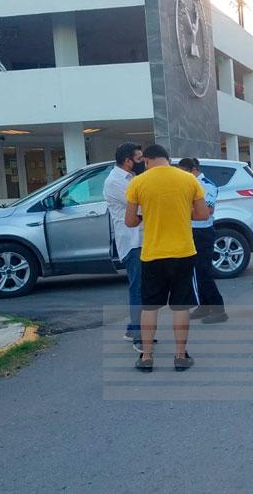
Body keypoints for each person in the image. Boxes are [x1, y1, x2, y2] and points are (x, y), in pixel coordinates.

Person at [125, 145, 209, 373]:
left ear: (147, 160)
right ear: (168, 159)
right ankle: (180, 356)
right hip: (183, 252)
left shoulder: (138, 182)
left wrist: (146, 215)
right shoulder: (189, 179)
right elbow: (203, 214)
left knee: (150, 306)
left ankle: (146, 357)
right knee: (181, 306)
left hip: (152, 254)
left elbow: (130, 221)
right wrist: (182, 212)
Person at [103, 142, 152, 352]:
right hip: (132, 242)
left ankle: (133, 329)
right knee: (138, 288)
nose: (143, 162)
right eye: (139, 158)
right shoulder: (115, 182)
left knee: (144, 287)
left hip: (142, 239)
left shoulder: (133, 178)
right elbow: (141, 206)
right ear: (127, 161)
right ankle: (138, 337)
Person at [178, 157, 228, 324]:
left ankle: (218, 310)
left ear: (193, 170)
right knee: (195, 272)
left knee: (203, 272)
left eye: (183, 173)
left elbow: (208, 210)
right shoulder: (190, 184)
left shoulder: (206, 185)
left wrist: (181, 210)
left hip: (202, 232)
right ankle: (204, 305)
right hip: (191, 231)